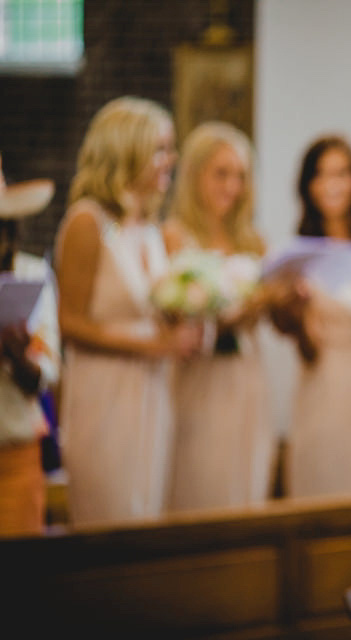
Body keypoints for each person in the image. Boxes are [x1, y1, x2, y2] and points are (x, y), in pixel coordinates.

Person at [54, 96, 203, 526]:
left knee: (147, 517)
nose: (170, 160)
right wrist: (154, 344)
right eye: (160, 148)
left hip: (154, 394)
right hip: (105, 397)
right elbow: (70, 322)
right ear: (127, 151)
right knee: (110, 520)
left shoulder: (150, 230)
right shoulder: (87, 222)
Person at [163, 121, 275, 512]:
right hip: (198, 377)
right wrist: (249, 306)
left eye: (241, 176)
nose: (232, 186)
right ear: (195, 175)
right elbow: (173, 315)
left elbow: (266, 316)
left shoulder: (255, 241)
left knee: (245, 479)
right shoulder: (174, 236)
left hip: (245, 375)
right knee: (200, 481)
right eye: (221, 174)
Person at [283, 135, 351, 497]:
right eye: (322, 174)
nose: (333, 185)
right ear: (308, 184)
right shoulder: (300, 252)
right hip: (324, 382)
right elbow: (304, 347)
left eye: (342, 173)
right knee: (322, 480)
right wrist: (298, 312)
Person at [0, 156, 59, 536]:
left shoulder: (32, 274)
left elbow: (50, 369)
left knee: (19, 580)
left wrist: (21, 357)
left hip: (13, 450)